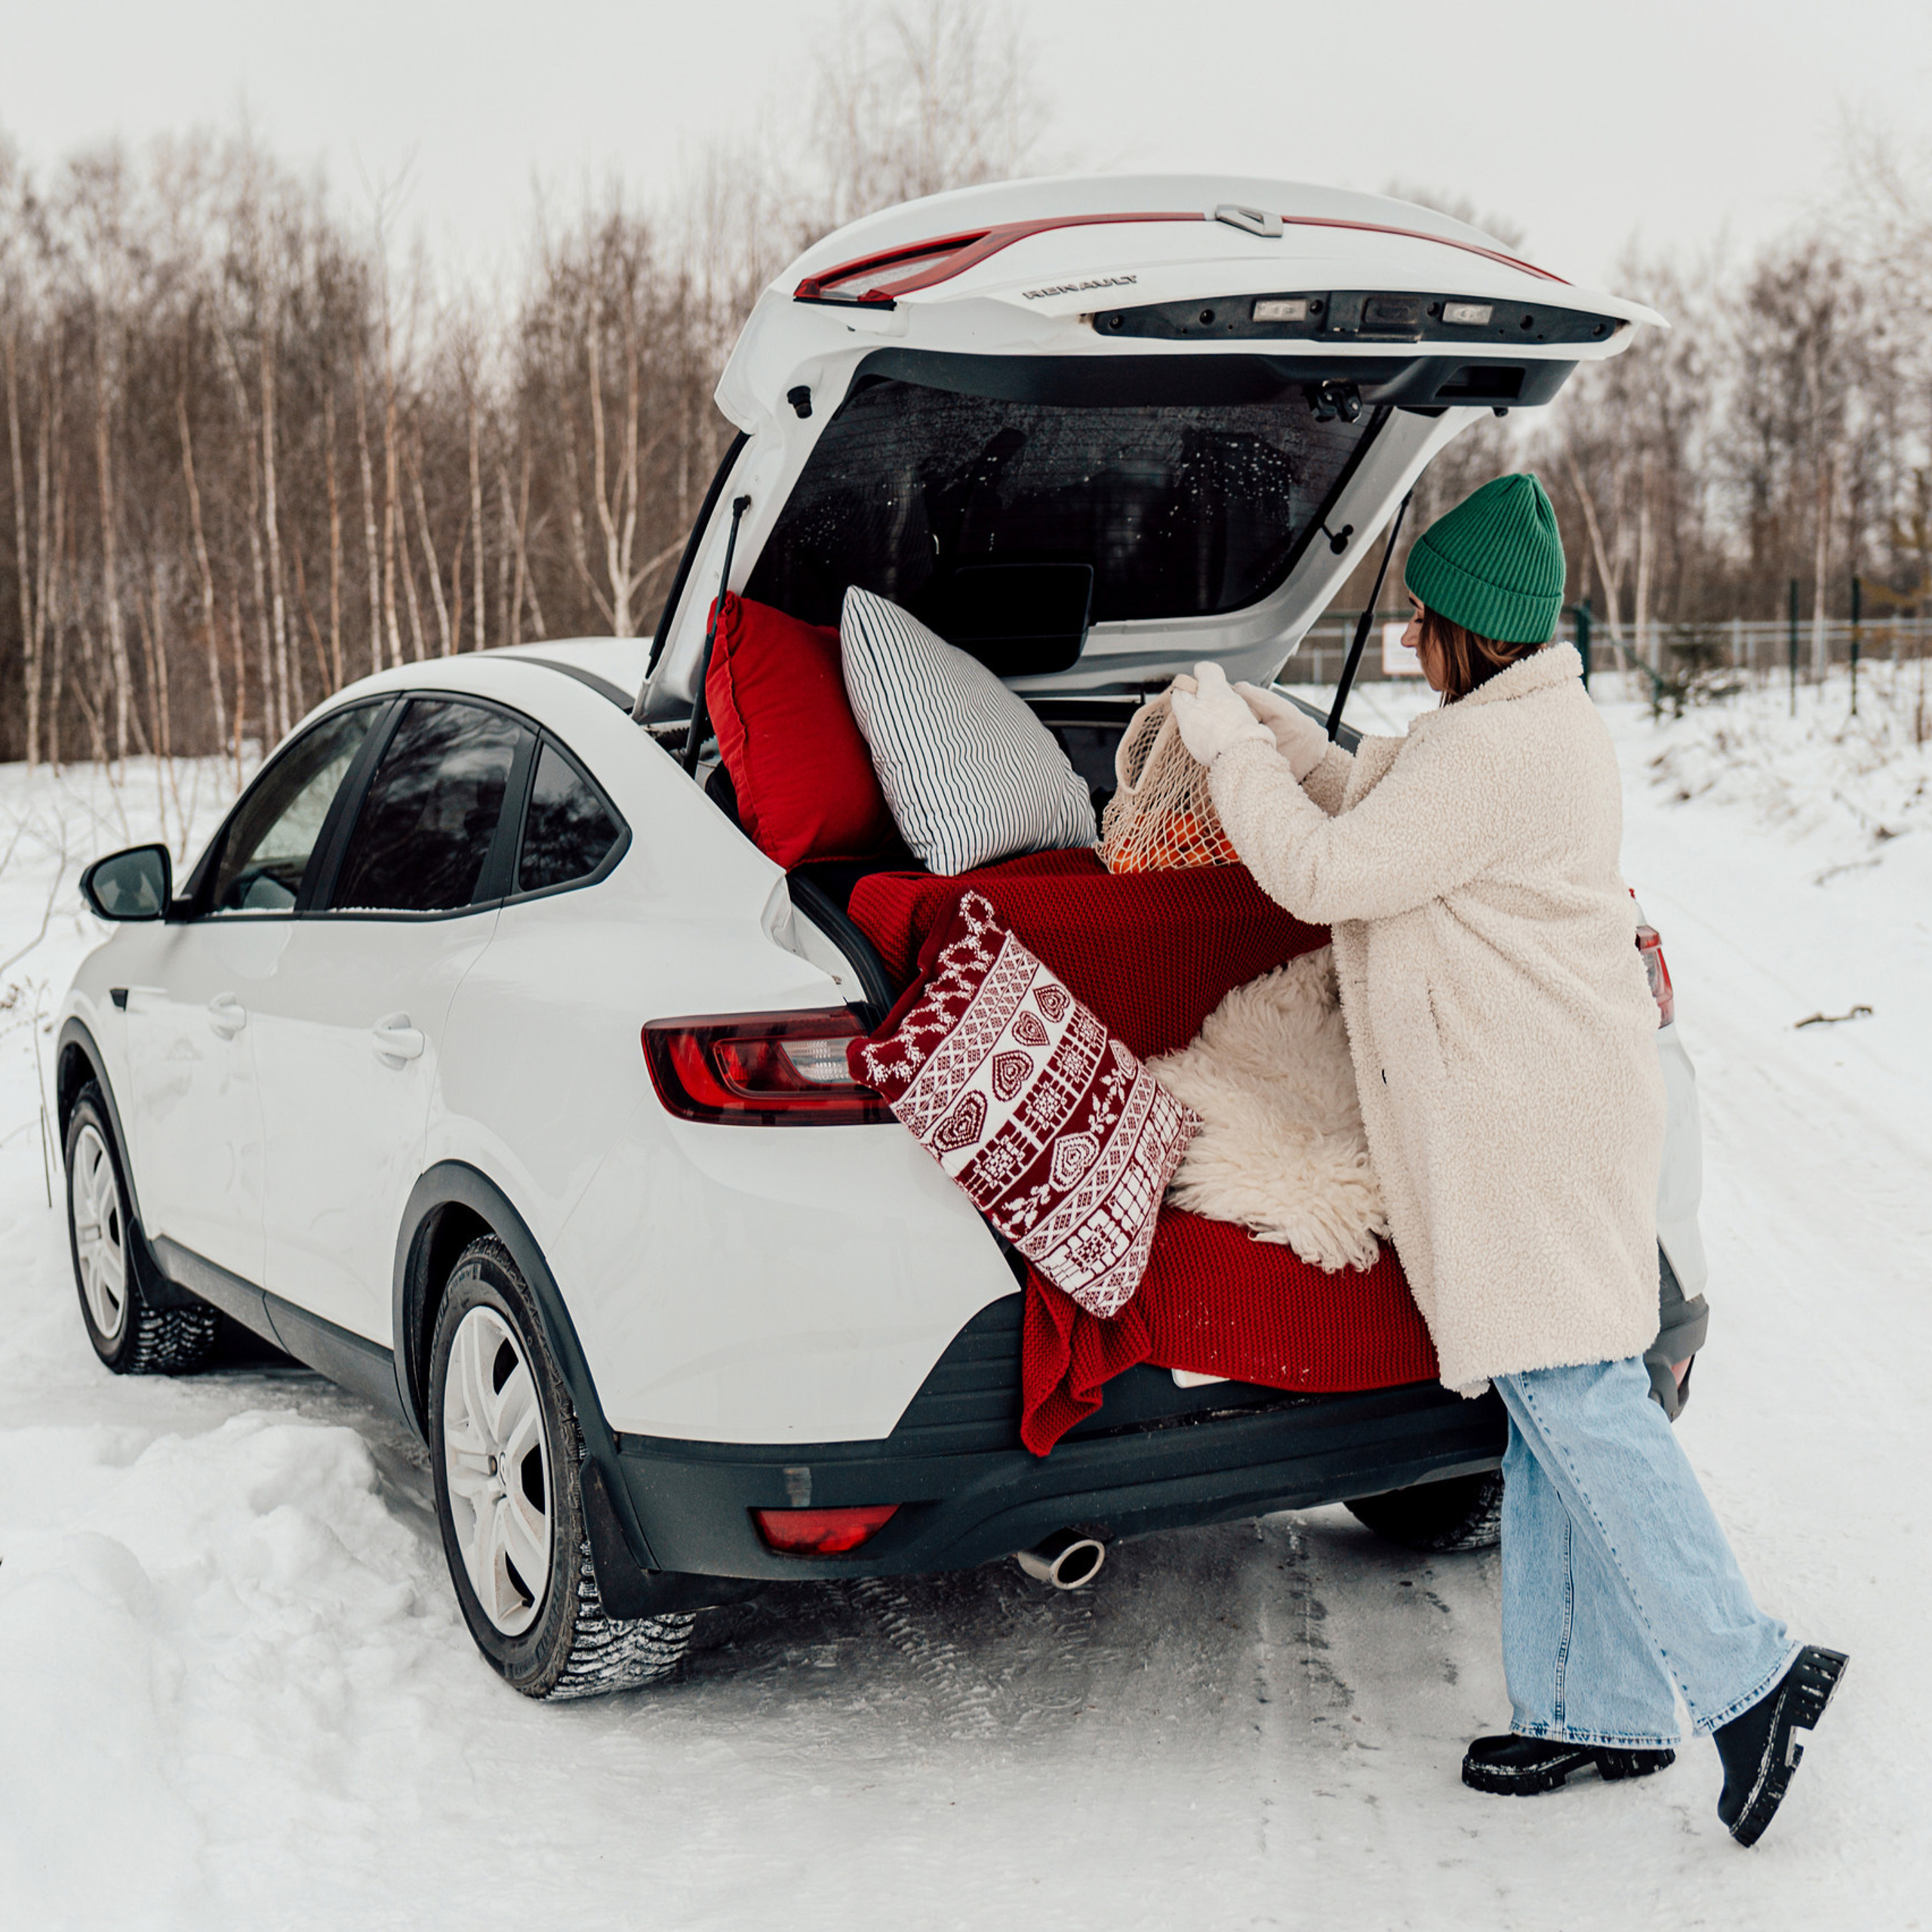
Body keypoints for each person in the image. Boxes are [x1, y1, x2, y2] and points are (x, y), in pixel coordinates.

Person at [1169, 472, 1845, 1847]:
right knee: (1556, 1408)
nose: (1408, 640)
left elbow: (1325, 874)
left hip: (1528, 1129)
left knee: (1580, 1398)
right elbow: (1378, 796)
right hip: (1551, 1111)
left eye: (1420, 621)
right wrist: (1284, 733)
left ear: (1471, 629)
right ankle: (1594, 1711)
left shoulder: (1496, 754)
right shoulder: (1524, 723)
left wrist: (1221, 748)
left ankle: (1751, 1676)